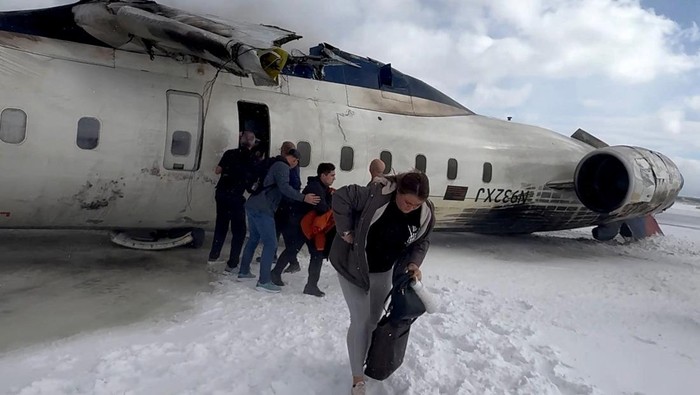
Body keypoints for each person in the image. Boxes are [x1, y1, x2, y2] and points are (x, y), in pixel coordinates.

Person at [329, 171, 435, 394]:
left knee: (373, 321)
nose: (410, 208)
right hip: (353, 267)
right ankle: (358, 379)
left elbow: (421, 242)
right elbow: (341, 196)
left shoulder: (425, 212)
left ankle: (363, 357)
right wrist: (345, 230)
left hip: (383, 270)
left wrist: (414, 263)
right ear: (398, 191)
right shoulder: (374, 195)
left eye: (416, 205)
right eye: (407, 202)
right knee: (360, 319)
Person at [237, 148, 320, 293]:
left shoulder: (273, 162)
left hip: (253, 203)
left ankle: (243, 271)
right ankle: (264, 281)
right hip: (263, 208)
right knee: (271, 244)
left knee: (254, 238)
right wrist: (303, 198)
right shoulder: (283, 167)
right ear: (294, 160)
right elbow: (285, 188)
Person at [271, 163, 336, 296]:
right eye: (332, 175)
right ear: (323, 175)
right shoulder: (316, 188)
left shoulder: (321, 187)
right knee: (304, 253)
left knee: (301, 252)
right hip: (302, 225)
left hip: (307, 226)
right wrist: (330, 200)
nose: (334, 178)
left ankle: (278, 274)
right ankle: (307, 285)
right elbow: (323, 208)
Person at [207, 130, 257, 270]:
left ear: (241, 141)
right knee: (239, 231)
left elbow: (217, 170)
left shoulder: (229, 153)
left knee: (221, 225)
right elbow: (250, 186)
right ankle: (233, 262)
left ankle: (214, 255)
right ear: (252, 144)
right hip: (235, 196)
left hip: (222, 193)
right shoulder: (253, 159)